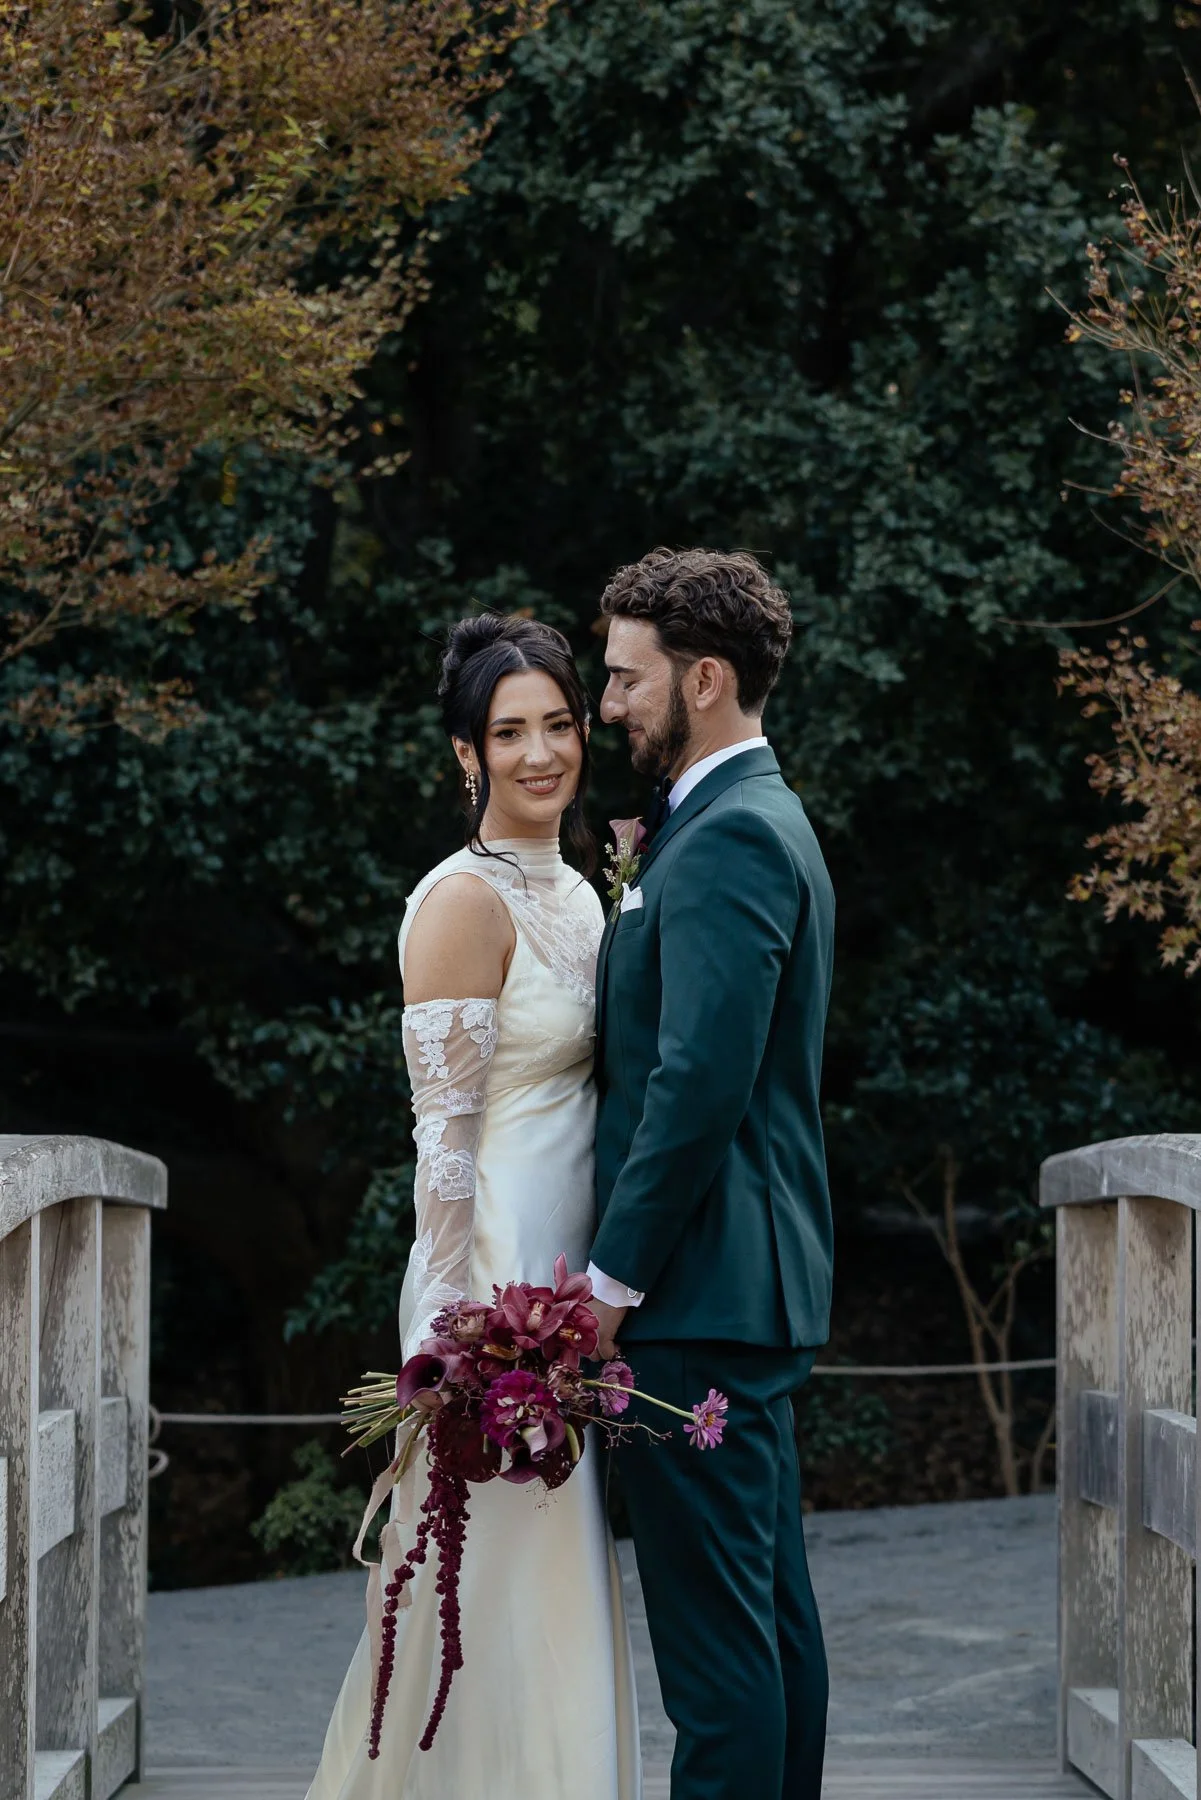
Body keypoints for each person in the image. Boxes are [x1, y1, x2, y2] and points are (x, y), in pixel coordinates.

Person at [305, 613, 640, 1800]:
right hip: (494, 1286)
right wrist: (448, 1337)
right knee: (485, 1576)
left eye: (558, 723)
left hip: (568, 1276)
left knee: (553, 1580)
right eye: (511, 733)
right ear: (467, 754)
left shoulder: (586, 892)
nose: (543, 752)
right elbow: (440, 1147)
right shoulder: (460, 901)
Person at [586, 547, 835, 1800]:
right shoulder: (729, 821)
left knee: (718, 1664)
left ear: (707, 680)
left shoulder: (732, 836)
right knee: (769, 1628)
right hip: (736, 1293)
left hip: (693, 1299)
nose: (606, 703)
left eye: (627, 678)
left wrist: (610, 1282)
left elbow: (698, 1086)